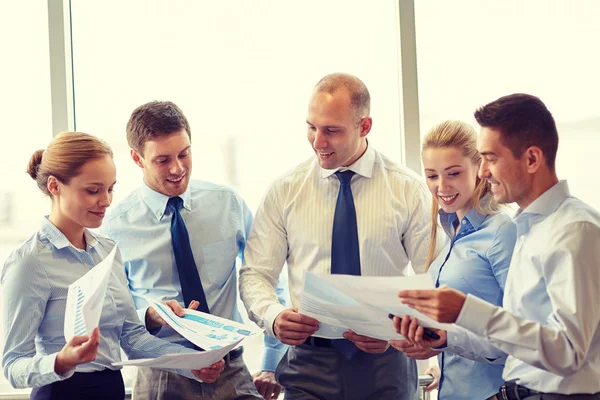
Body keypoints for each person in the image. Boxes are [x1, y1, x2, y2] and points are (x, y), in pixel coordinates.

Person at [239, 72, 440, 399]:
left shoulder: (408, 190)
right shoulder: (284, 191)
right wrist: (274, 317)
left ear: (365, 127)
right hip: (309, 361)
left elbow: (434, 279)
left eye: (331, 130)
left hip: (386, 360)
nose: (318, 141)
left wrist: (396, 330)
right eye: (311, 127)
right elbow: (255, 274)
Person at [398, 94, 600, 398]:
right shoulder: (529, 229)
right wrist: (447, 337)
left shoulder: (575, 230)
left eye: (491, 159)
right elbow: (516, 339)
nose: (482, 172)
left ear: (531, 159)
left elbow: (569, 352)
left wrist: (466, 310)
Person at [1, 132, 221, 400]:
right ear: (55, 186)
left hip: (111, 390)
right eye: (93, 190)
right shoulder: (30, 262)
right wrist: (62, 361)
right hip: (61, 392)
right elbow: (13, 365)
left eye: (110, 188)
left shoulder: (108, 251)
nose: (106, 201)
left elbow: (132, 337)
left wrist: (193, 363)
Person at [101, 101, 287, 400]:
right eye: (162, 160)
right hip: (162, 375)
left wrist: (271, 362)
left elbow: (266, 278)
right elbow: (112, 318)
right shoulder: (113, 227)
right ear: (137, 158)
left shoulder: (227, 203)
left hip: (230, 369)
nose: (177, 168)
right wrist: (150, 315)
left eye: (184, 154)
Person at [390, 120, 517, 400]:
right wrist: (432, 346)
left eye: (453, 173)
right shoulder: (447, 233)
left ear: (479, 170)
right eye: (432, 176)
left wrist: (448, 340)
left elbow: (521, 334)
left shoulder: (500, 232)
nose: (442, 186)